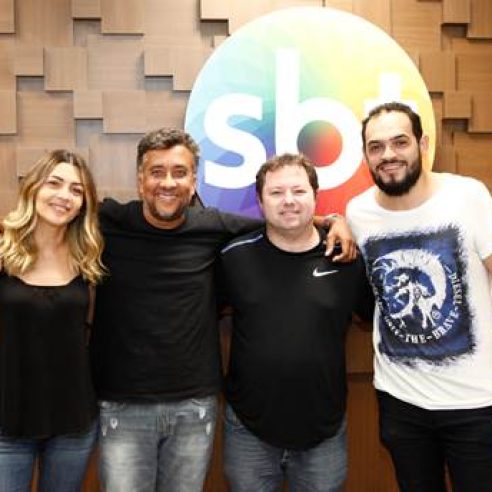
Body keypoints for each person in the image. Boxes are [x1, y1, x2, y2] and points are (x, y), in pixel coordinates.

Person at [90, 128, 357, 492]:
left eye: (180, 172)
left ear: (193, 181)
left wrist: (333, 221)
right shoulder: (108, 222)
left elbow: (282, 221)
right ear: (140, 179)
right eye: (156, 172)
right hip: (124, 405)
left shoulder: (214, 228)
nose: (168, 183)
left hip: (194, 404)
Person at [346, 101, 492, 492]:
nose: (388, 155)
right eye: (376, 147)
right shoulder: (358, 212)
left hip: (476, 403)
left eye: (400, 142)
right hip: (401, 402)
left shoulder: (468, 196)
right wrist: (334, 222)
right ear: (365, 155)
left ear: (422, 144)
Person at [219, 154, 373, 492]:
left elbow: (370, 317)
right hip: (249, 429)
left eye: (298, 191)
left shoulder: (346, 259)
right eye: (276, 192)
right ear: (260, 201)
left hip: (324, 429)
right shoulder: (233, 257)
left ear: (315, 196)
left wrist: (337, 221)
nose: (288, 200)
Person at [0, 150, 105, 492]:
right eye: (54, 183)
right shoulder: (2, 250)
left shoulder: (89, 258)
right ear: (33, 188)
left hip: (73, 422)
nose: (64, 196)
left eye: (76, 190)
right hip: (7, 420)